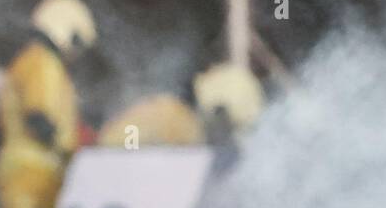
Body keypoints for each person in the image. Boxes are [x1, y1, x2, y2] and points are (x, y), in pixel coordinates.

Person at [0, 0, 97, 208]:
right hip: (31, 169)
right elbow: (39, 115)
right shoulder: (42, 62)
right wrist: (67, 146)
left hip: (36, 170)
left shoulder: (35, 60)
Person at [96, 62, 265, 148]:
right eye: (228, 128)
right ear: (218, 111)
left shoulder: (175, 115)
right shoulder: (174, 119)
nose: (224, 137)